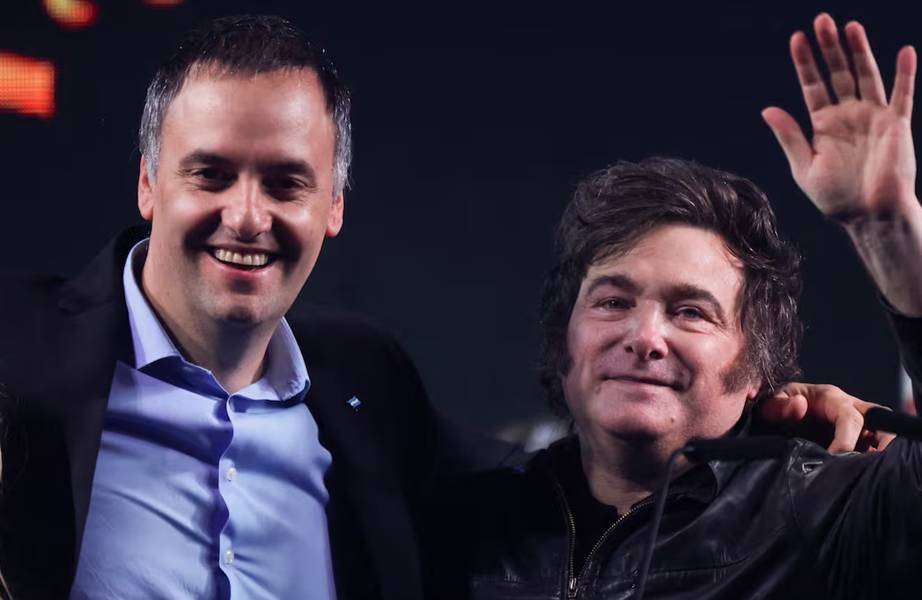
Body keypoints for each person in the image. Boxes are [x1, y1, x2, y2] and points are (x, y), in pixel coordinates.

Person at [0, 11, 895, 600]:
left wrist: (768, 413)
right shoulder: (17, 351)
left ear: (333, 206)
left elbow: (571, 470)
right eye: (210, 174)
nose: (247, 215)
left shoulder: (364, 385)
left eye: (285, 183)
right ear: (148, 184)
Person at [426, 13, 922, 599]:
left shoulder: (828, 511)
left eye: (691, 312)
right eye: (613, 301)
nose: (644, 336)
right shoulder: (470, 521)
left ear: (757, 369)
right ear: (564, 341)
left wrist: (888, 231)